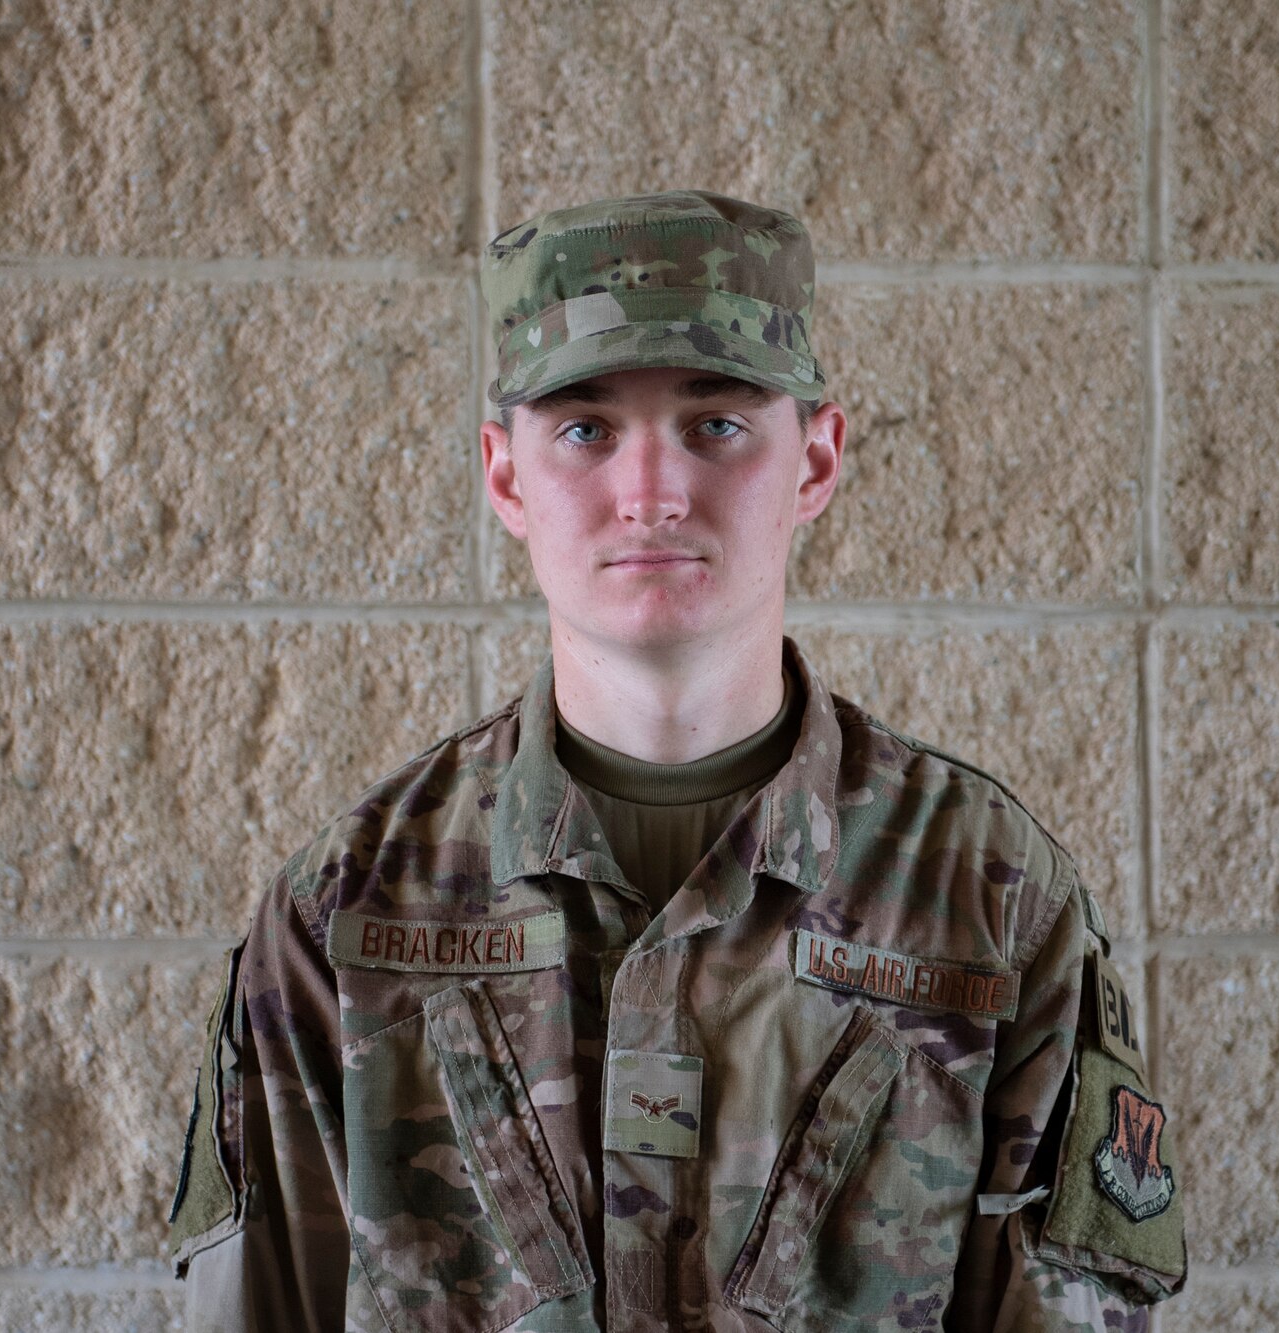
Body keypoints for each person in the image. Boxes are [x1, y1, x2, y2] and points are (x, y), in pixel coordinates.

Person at [165, 188, 1186, 1331]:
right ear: (505, 476)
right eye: (586, 430)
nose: (649, 493)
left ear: (815, 458)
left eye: (715, 425)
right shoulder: (341, 917)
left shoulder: (988, 898)